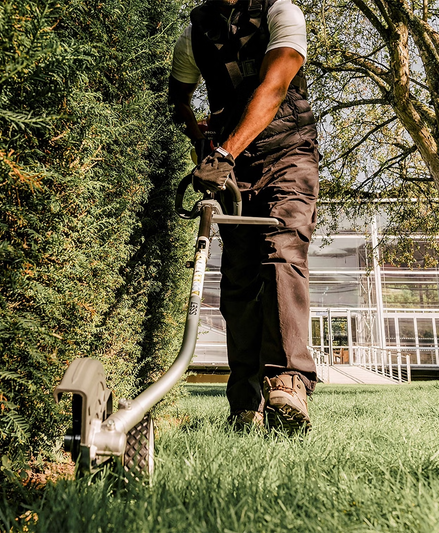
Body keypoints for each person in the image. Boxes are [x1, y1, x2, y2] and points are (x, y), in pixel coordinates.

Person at [169, 0, 320, 433]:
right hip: (234, 168)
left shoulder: (282, 13)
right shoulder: (194, 36)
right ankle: (245, 402)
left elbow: (274, 87)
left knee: (282, 252)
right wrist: (201, 142)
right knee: (238, 278)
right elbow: (177, 98)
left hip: (288, 154)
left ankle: (289, 382)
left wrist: (222, 152)